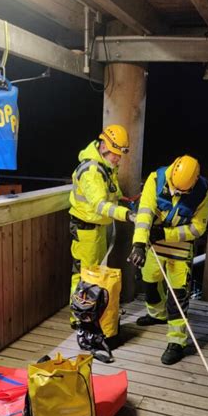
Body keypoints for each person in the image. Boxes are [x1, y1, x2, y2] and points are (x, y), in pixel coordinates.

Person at [128, 155, 208, 365]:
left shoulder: (202, 192)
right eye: (175, 189)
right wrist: (139, 243)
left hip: (179, 246)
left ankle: (177, 342)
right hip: (154, 242)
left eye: (183, 192)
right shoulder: (155, 179)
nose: (177, 194)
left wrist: (167, 235)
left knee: (178, 295)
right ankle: (157, 315)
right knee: (150, 282)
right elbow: (145, 213)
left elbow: (198, 227)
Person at [69, 124, 136, 325]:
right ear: (104, 145)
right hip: (86, 228)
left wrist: (121, 197)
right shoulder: (91, 170)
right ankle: (78, 316)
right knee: (83, 274)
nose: (118, 158)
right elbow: (99, 205)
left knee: (92, 272)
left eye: (120, 154)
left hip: (95, 228)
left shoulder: (104, 166)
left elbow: (108, 192)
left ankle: (88, 310)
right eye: (115, 153)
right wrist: (127, 214)